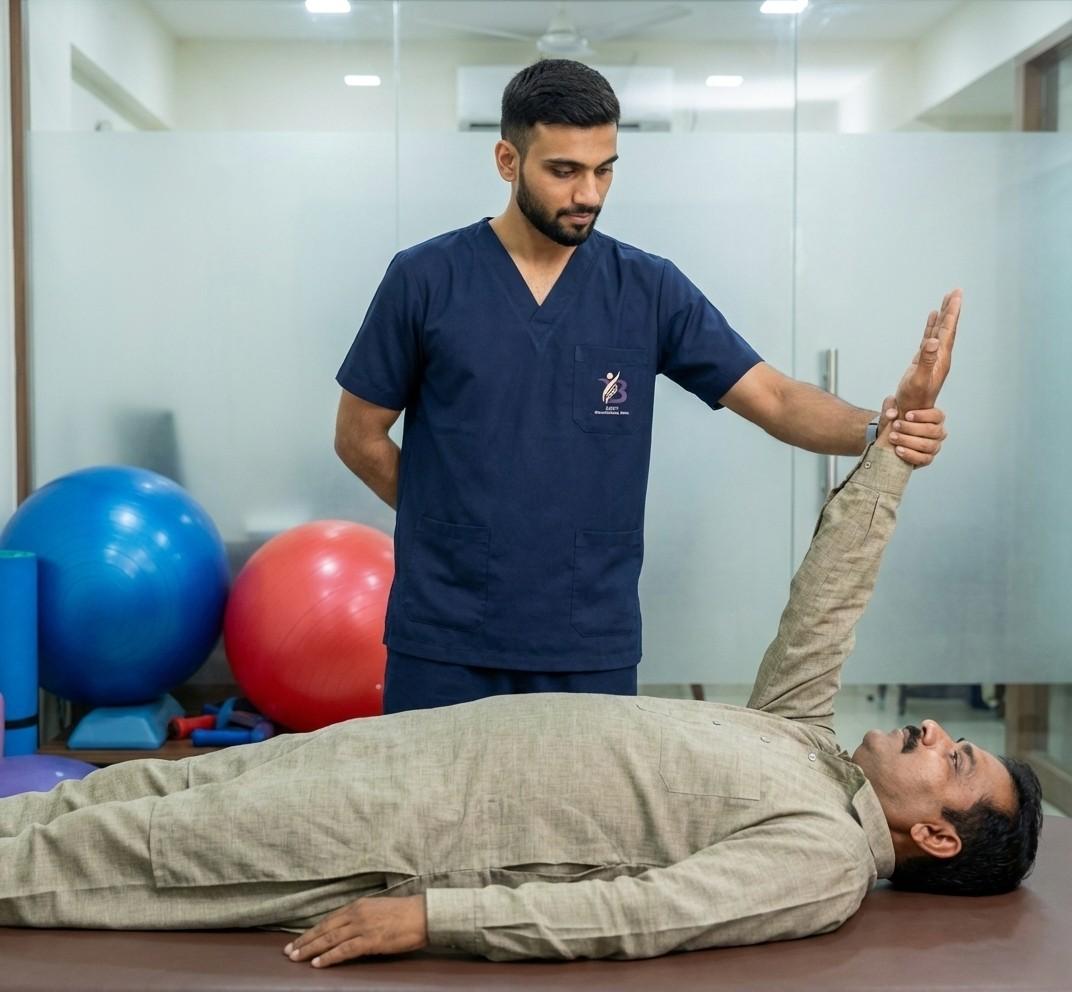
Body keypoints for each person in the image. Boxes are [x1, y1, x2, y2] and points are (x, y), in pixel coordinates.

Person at [0, 296, 1040, 967]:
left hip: (405, 828)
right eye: (956, 741)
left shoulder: (818, 859)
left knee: (116, 853)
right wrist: (891, 449)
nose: (938, 736)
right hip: (414, 748)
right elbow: (829, 599)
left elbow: (645, 912)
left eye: (956, 765)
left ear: (936, 835)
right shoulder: (807, 745)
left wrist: (433, 916)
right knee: (134, 789)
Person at [334, 58, 948, 714]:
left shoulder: (647, 289)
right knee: (438, 817)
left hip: (587, 637)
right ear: (507, 161)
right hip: (445, 634)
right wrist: (450, 526)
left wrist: (881, 428)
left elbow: (771, 396)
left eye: (605, 169)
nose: (589, 194)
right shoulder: (425, 279)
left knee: (581, 818)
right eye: (564, 171)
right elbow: (358, 436)